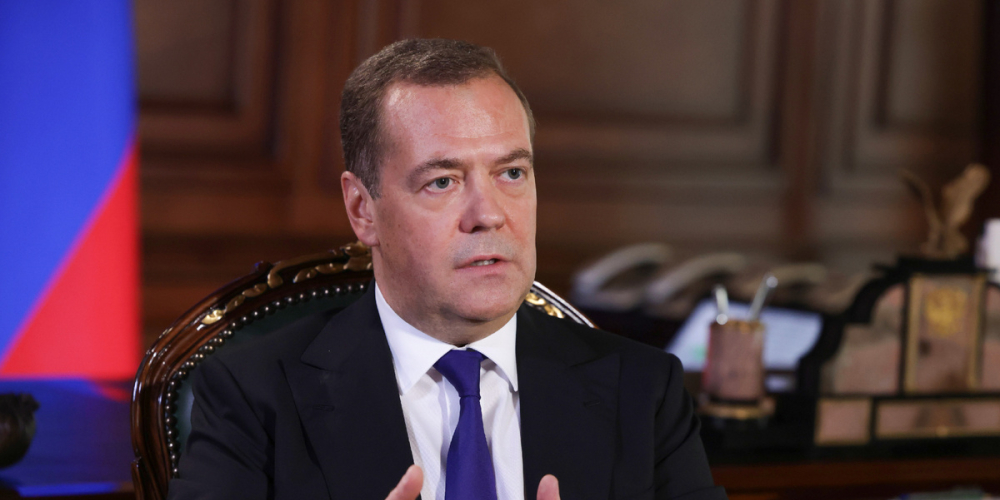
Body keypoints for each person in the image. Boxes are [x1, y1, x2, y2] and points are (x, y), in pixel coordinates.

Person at [167, 39, 727, 500]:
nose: (489, 215)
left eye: (511, 173)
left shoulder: (642, 390)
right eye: (442, 181)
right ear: (363, 210)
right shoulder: (253, 394)